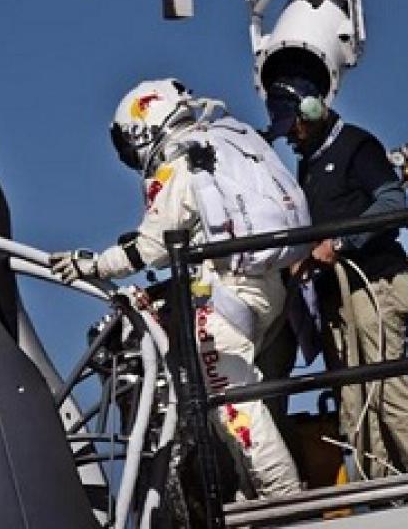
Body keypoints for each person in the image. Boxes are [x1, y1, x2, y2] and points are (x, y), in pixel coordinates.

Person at [51, 78, 307, 498]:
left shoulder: (179, 165)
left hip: (227, 299)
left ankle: (285, 498)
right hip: (264, 287)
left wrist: (91, 265)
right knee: (227, 403)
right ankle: (255, 494)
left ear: (142, 129)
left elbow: (150, 247)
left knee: (234, 406)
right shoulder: (223, 144)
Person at [265, 75, 408, 480]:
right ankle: (378, 489)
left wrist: (341, 242)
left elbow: (392, 200)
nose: (290, 135)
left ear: (312, 111)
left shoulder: (357, 145)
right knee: (353, 398)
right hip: (336, 296)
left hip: (374, 284)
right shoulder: (309, 163)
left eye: (294, 125)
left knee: (387, 387)